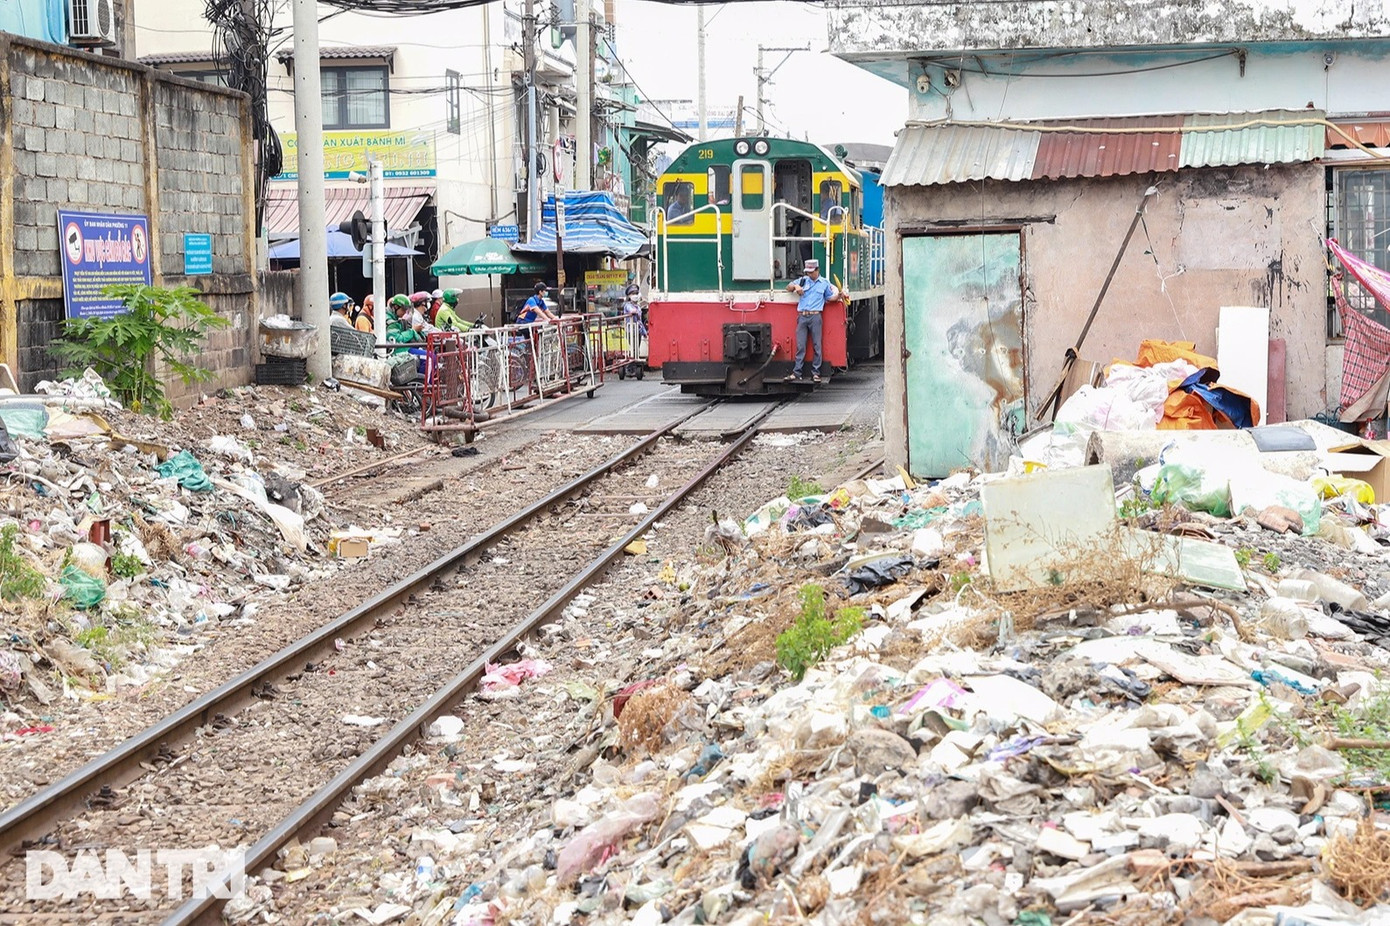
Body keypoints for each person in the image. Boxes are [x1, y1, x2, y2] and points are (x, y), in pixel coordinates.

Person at [784, 259, 843, 383]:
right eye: (808, 272)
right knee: (800, 345)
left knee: (817, 345)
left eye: (811, 272)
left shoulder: (824, 283)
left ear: (817, 270)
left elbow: (829, 297)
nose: (809, 274)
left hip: (815, 316)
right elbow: (788, 287)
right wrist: (795, 286)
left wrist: (838, 297)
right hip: (802, 316)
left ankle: (816, 373)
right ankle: (797, 372)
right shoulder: (802, 280)